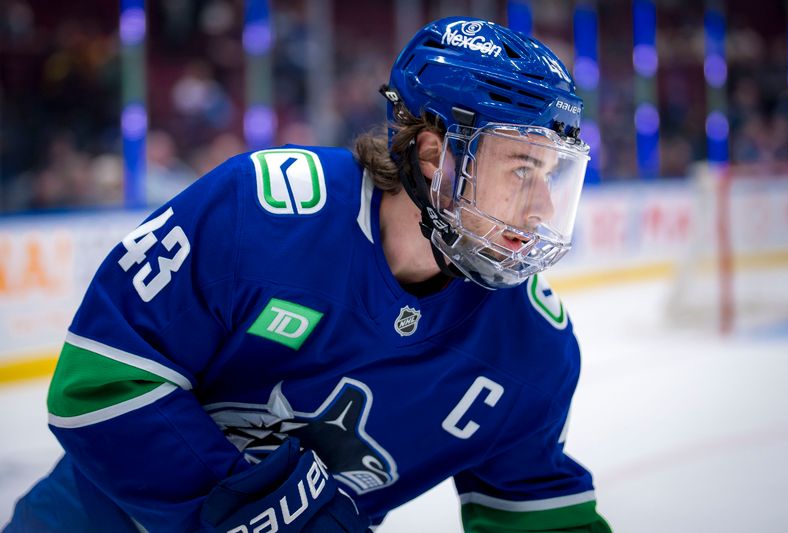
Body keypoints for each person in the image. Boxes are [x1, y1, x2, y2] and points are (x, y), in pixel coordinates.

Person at [6, 17, 611, 533]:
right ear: (435, 155)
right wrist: (250, 511)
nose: (541, 211)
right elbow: (101, 380)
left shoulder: (533, 348)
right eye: (522, 170)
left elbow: (538, 507)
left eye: (555, 176)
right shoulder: (258, 214)